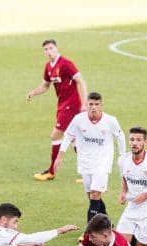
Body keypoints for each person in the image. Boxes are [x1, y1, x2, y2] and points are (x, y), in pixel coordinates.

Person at [54, 92, 126, 234]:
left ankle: (90, 232)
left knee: (94, 195)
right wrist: (59, 156)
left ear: (101, 105)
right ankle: (108, 224)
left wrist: (122, 156)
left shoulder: (110, 121)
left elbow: (120, 136)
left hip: (103, 162)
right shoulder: (79, 119)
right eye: (91, 104)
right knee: (93, 198)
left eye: (97, 104)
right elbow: (68, 136)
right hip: (85, 162)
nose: (93, 107)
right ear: (86, 105)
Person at [26, 39, 87, 181]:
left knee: (55, 136)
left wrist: (84, 104)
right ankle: (87, 173)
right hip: (61, 105)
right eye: (46, 49)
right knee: (75, 139)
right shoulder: (48, 66)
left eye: (50, 48)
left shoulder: (66, 64)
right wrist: (33, 93)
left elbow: (81, 81)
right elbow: (45, 85)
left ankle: (51, 171)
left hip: (71, 105)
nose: (48, 51)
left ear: (56, 48)